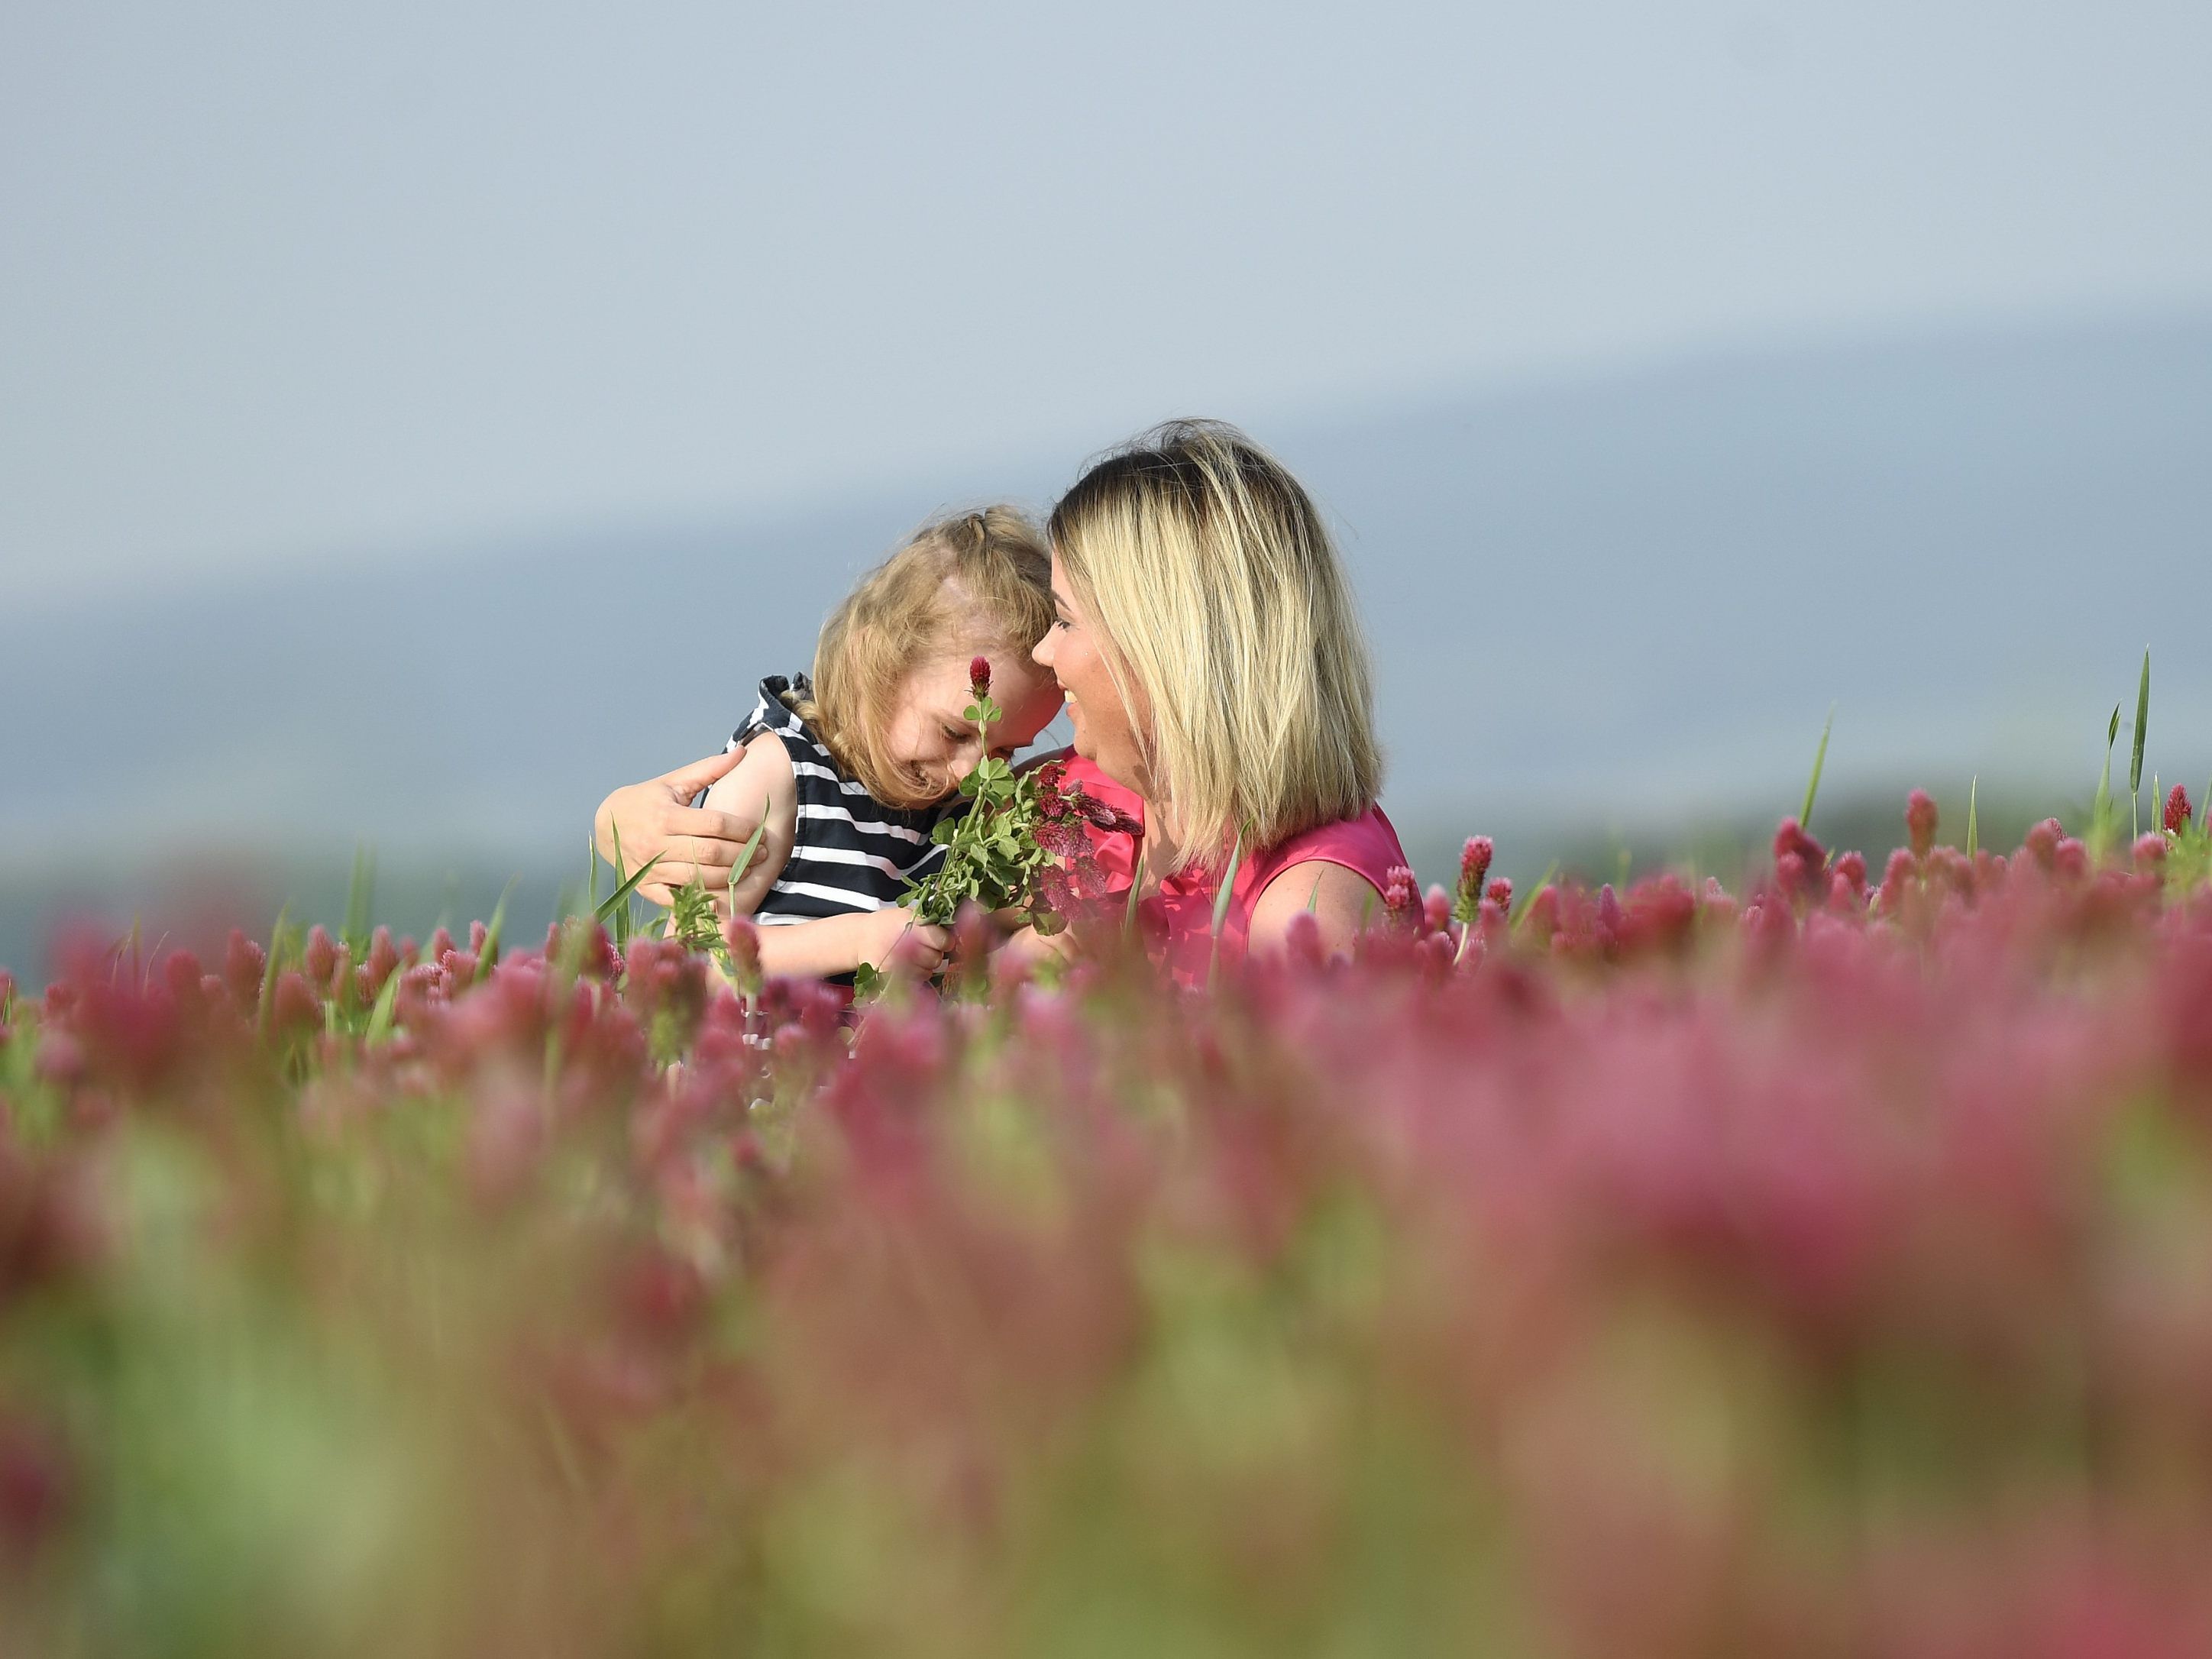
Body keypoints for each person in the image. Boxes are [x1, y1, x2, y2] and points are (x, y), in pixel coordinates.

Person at [593, 506, 1062, 981]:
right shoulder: (781, 774)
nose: (972, 771)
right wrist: (856, 941)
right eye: (955, 732)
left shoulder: (962, 808)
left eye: (1004, 751)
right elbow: (691, 958)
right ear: (874, 663)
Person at [1012, 419, 1406, 980]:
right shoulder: (1074, 803)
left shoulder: (1304, 908)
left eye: (1066, 621)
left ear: (1165, 652)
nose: (1043, 651)